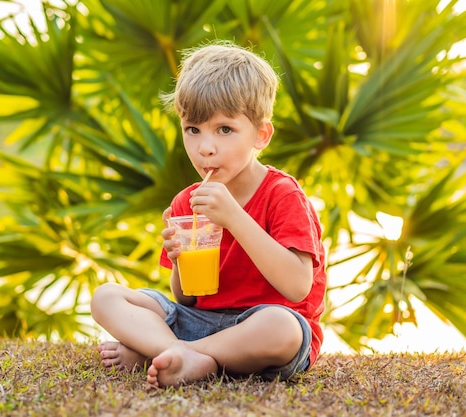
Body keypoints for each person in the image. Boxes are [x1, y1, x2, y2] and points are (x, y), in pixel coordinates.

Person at [90, 41, 327, 389]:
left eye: (225, 130)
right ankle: (187, 356)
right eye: (193, 130)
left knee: (283, 328)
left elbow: (296, 286)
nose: (205, 147)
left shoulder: (282, 194)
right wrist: (180, 261)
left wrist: (235, 217)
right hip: (199, 319)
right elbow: (185, 299)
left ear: (261, 135)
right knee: (106, 297)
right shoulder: (188, 201)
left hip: (260, 327)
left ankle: (169, 353)